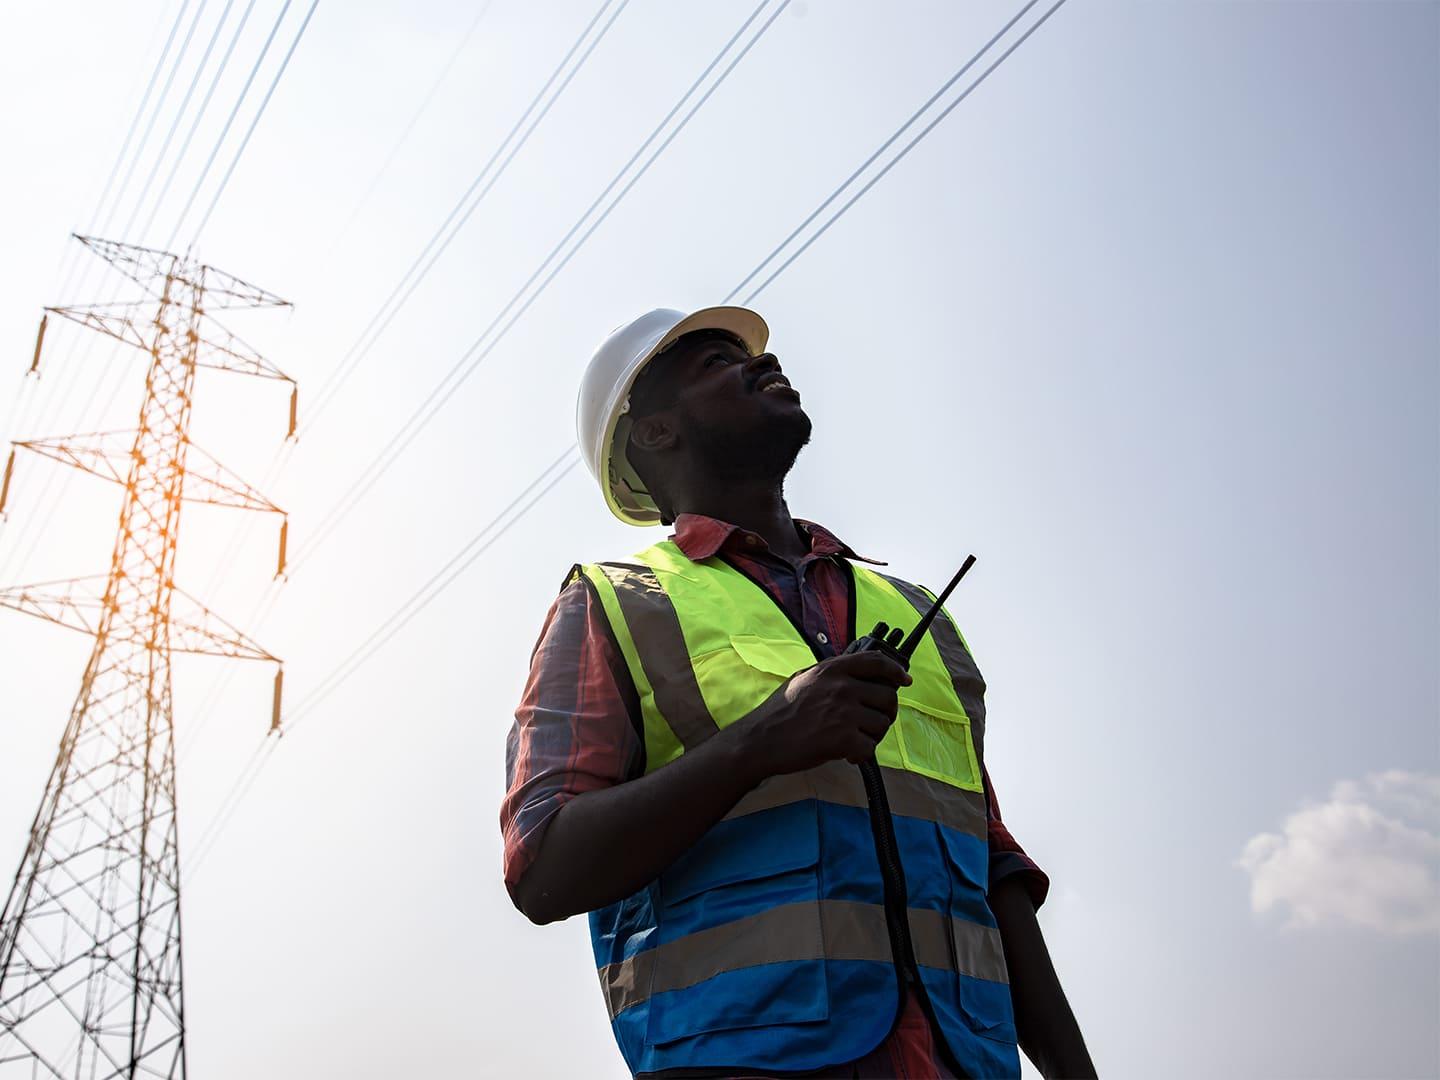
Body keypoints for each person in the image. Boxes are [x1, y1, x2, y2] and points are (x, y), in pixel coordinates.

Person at [501, 307, 1095, 1079]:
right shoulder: (616, 604)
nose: (762, 363)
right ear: (653, 434)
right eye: (716, 362)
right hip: (751, 1058)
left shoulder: (917, 613)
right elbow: (544, 865)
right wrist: (763, 740)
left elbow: (991, 866)